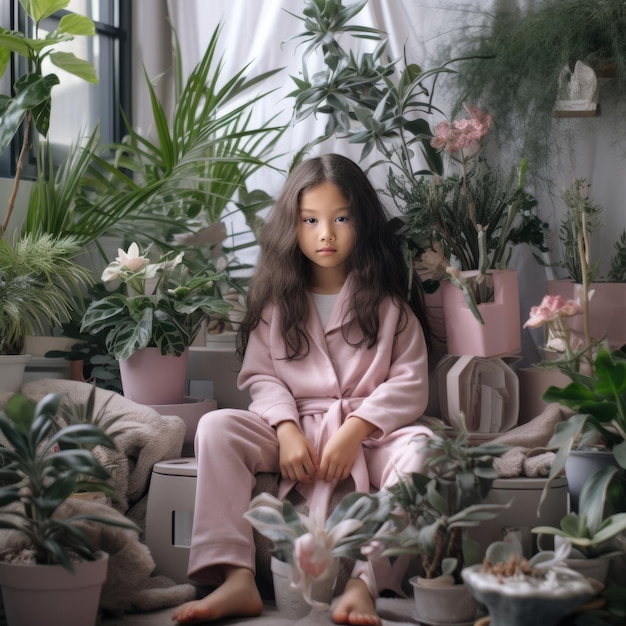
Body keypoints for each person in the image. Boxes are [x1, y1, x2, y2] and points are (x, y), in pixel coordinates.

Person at [172, 154, 433, 626]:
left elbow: (410, 382)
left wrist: (355, 429)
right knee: (216, 427)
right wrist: (288, 429)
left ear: (363, 222)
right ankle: (236, 577)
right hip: (292, 429)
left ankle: (363, 584)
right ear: (292, 226)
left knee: (424, 448)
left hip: (369, 437)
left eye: (340, 219)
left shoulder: (392, 306)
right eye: (310, 221)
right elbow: (261, 376)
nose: (325, 234)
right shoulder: (276, 303)